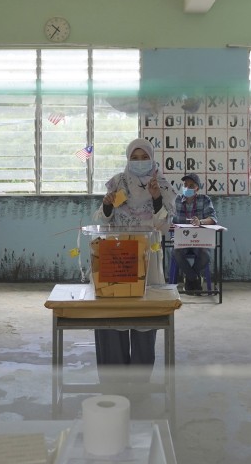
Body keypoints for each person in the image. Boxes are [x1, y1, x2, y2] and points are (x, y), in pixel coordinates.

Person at [95, 138, 177, 371]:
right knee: (114, 313)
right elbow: (101, 218)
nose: (139, 162)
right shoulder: (118, 183)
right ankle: (114, 378)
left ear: (152, 159)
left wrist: (156, 198)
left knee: (144, 312)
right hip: (117, 255)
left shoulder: (162, 185)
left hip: (147, 257)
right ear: (128, 159)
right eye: (134, 157)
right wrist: (108, 205)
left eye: (144, 158)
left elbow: (163, 226)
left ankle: (140, 381)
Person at [170, 172, 217, 294]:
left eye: (191, 186)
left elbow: (213, 219)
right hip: (181, 239)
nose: (187, 188)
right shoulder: (177, 200)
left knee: (205, 254)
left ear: (197, 188)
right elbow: (169, 220)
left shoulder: (204, 199)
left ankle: (190, 279)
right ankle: (195, 278)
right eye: (185, 185)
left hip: (199, 240)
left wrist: (200, 221)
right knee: (175, 252)